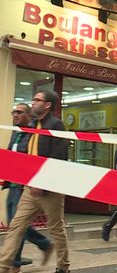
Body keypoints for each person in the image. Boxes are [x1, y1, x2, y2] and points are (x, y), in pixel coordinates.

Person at [0, 90, 70, 273]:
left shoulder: (56, 125)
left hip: (50, 188)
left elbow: (58, 156)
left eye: (37, 100)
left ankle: (63, 266)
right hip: (29, 188)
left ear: (47, 105)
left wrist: (42, 182)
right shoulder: (32, 124)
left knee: (56, 228)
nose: (33, 103)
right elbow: (25, 154)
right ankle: (4, 266)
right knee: (16, 226)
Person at [3, 103, 52, 272]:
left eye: (19, 112)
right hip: (12, 184)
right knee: (15, 224)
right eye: (14, 112)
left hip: (25, 187)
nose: (15, 115)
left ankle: (14, 264)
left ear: (29, 116)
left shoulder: (32, 134)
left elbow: (33, 159)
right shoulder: (16, 133)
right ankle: (44, 243)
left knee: (17, 225)